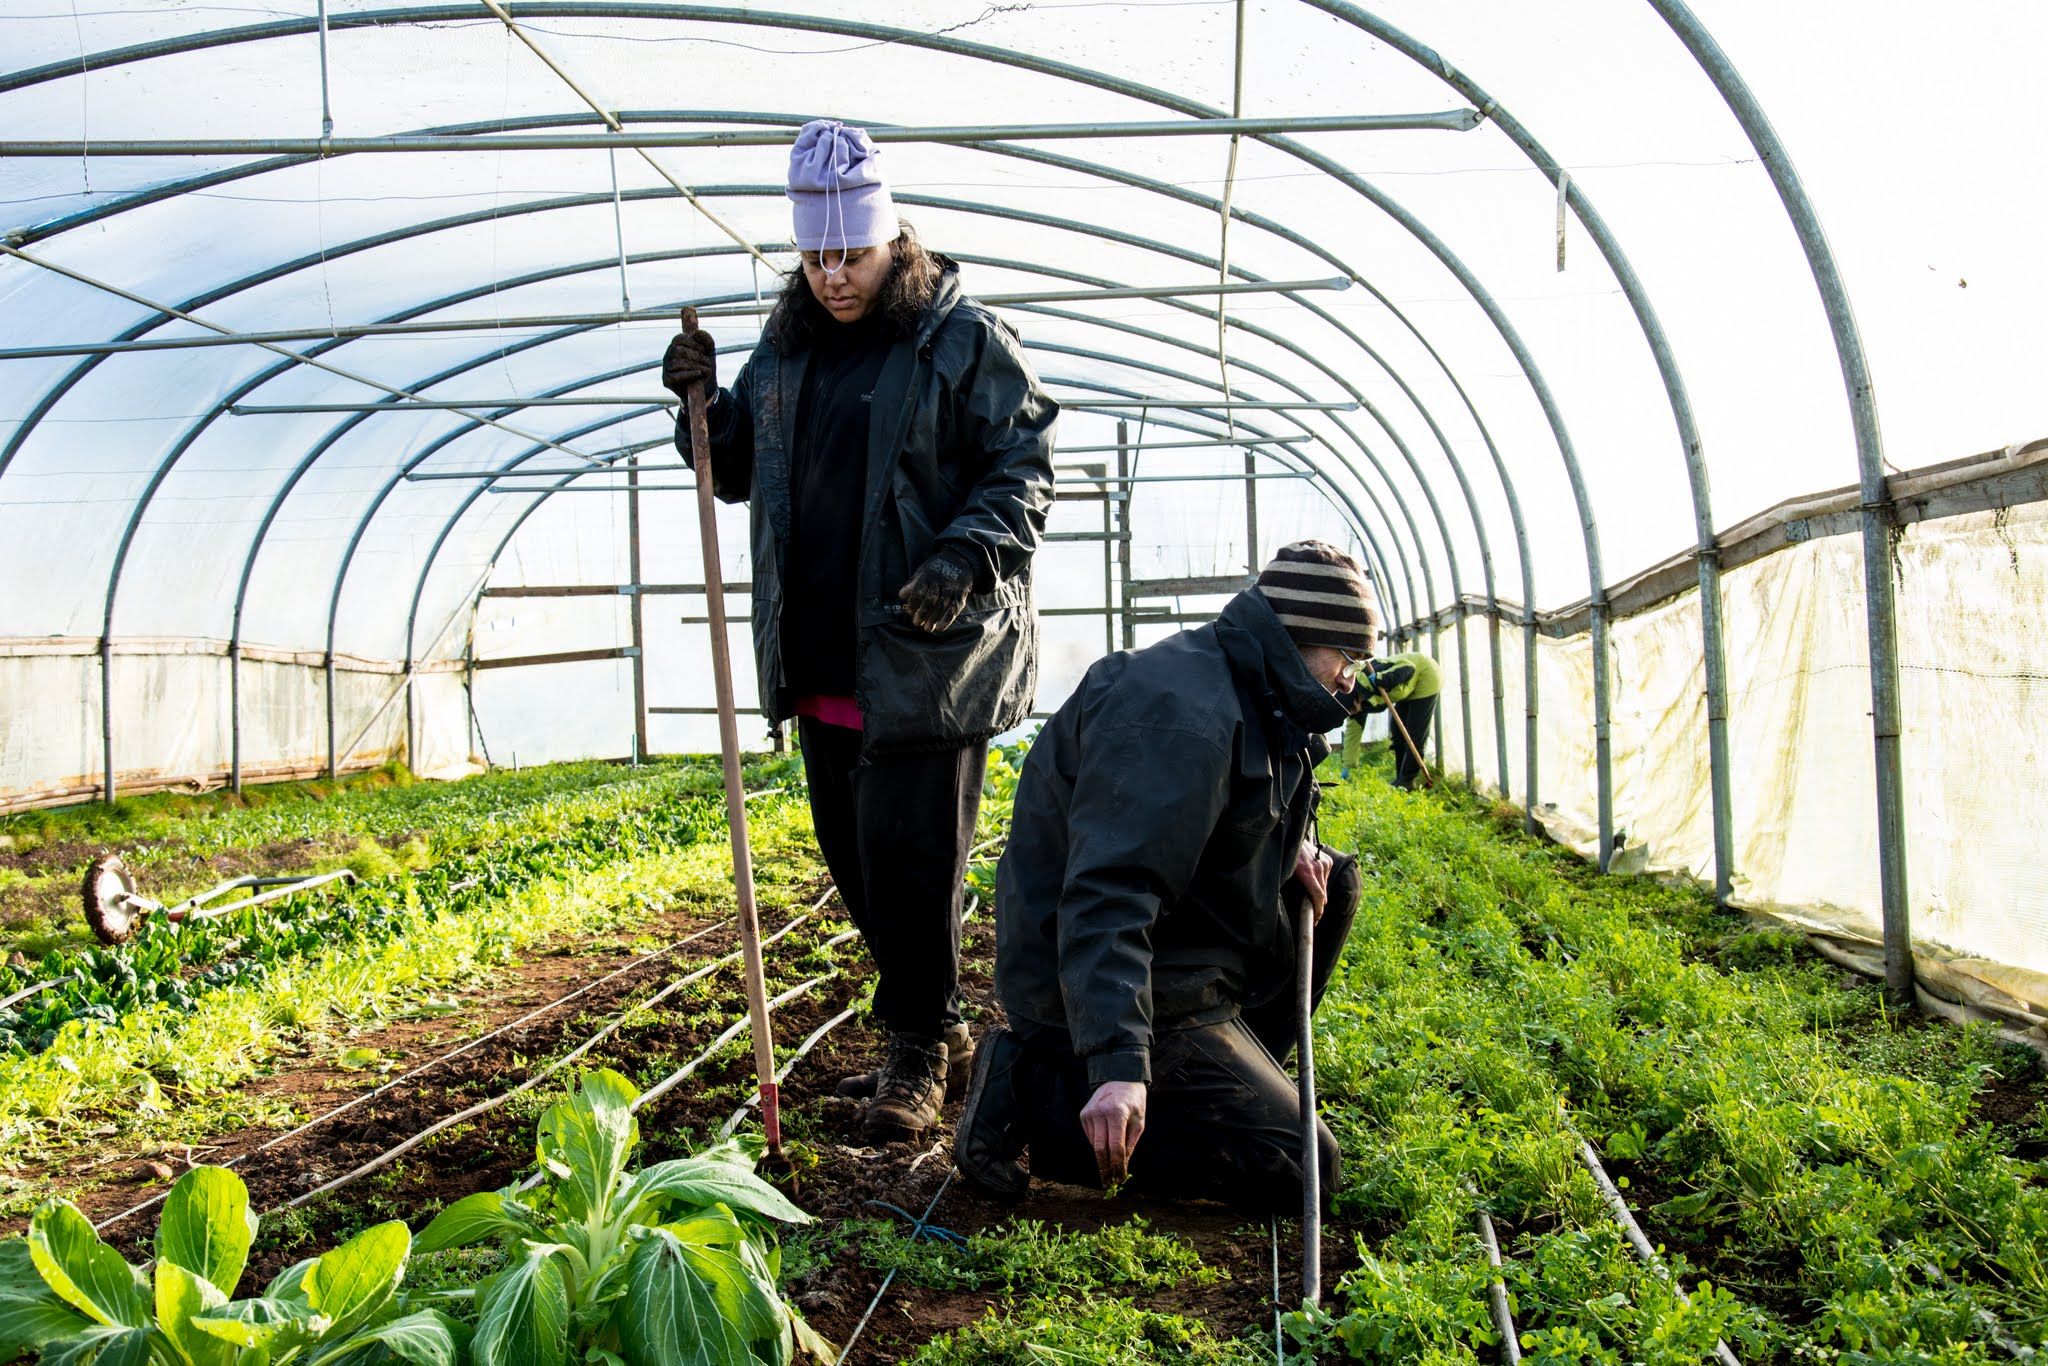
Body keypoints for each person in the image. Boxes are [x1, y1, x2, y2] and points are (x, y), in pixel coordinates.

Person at [661, 119, 1058, 1144]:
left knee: (912, 868)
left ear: (893, 244)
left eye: (851, 254)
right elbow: (738, 472)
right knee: (854, 863)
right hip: (826, 656)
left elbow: (1021, 467)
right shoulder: (786, 349)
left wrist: (961, 555)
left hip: (926, 657)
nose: (833, 275)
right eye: (815, 256)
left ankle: (921, 1050)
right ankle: (940, 1030)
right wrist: (702, 409)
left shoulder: (958, 339)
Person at [956, 541, 1373, 1213]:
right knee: (1300, 1168)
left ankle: (1211, 1084)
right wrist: (1120, 1065)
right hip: (1086, 979)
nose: (1352, 680)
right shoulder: (1183, 715)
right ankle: (1035, 1093)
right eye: (1347, 660)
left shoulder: (1255, 684)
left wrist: (1287, 843)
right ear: (1300, 639)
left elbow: (1227, 807)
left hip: (1180, 951)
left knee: (1332, 884)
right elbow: (1109, 892)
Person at [1344, 650, 1440, 789]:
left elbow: (1408, 668)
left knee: (1415, 733)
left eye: (1351, 710)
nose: (1351, 713)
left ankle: (1408, 780)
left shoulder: (1368, 678)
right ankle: (1400, 778)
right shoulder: (1357, 705)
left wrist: (1383, 679)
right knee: (1397, 733)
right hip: (1405, 690)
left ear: (1355, 700)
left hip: (1425, 676)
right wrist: (1348, 765)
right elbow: (1353, 733)